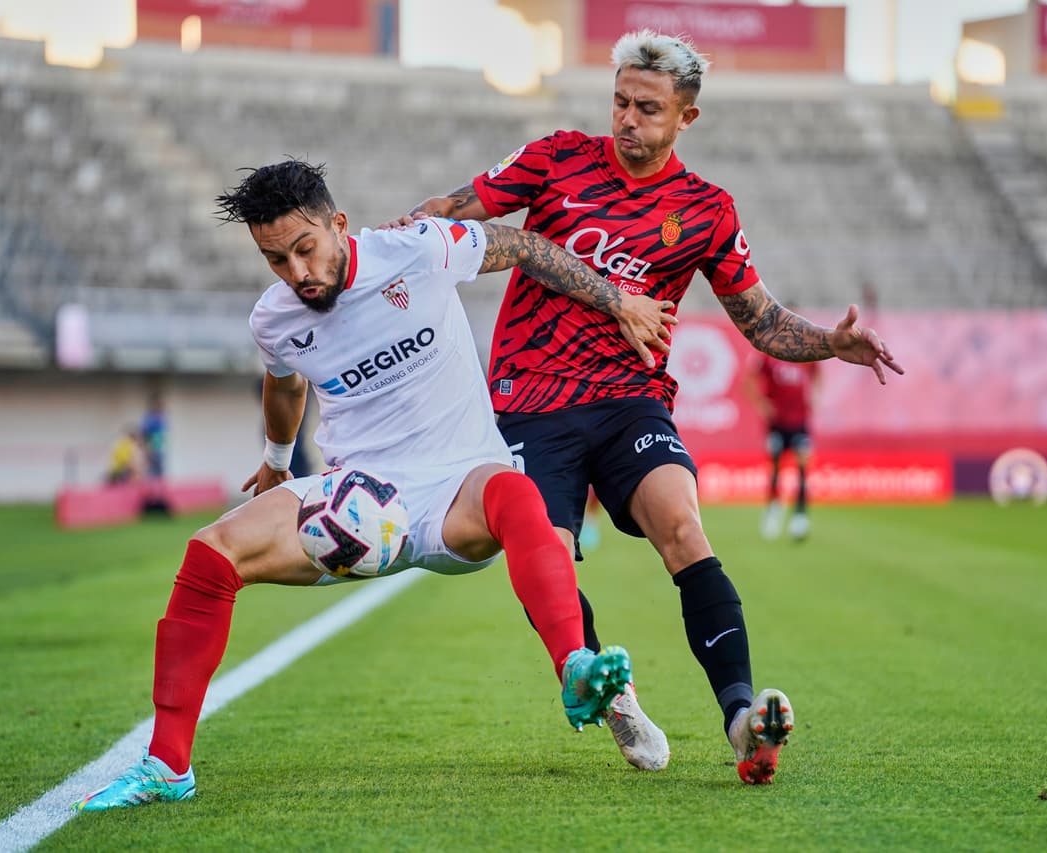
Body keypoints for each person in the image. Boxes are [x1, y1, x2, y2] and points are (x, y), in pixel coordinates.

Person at [74, 159, 677, 811]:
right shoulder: (273, 320)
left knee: (516, 493)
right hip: (355, 503)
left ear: (339, 225)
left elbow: (524, 244)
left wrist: (618, 301)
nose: (297, 272)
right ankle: (167, 764)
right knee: (209, 554)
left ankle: (577, 671)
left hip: (457, 485)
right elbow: (285, 384)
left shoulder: (417, 250)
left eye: (306, 248)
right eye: (277, 260)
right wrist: (277, 459)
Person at [386, 30, 902, 784]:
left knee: (685, 528)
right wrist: (383, 248)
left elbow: (758, 320)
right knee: (547, 555)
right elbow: (450, 211)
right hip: (530, 402)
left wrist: (830, 342)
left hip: (631, 401)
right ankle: (608, 688)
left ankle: (741, 719)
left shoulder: (705, 209)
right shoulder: (556, 157)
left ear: (685, 118)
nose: (627, 118)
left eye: (648, 108)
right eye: (621, 101)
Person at [743, 343, 819, 541]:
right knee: (776, 467)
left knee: (802, 466)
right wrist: (761, 403)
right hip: (777, 423)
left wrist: (815, 396)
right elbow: (749, 378)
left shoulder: (805, 353)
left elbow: (818, 373)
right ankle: (773, 512)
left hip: (800, 421)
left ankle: (800, 516)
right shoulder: (768, 355)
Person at [141, 394, 167, 479]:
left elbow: (162, 435)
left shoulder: (161, 417)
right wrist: (148, 449)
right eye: (159, 403)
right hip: (152, 451)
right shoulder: (150, 418)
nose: (161, 405)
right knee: (152, 475)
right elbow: (144, 434)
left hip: (159, 450)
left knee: (159, 475)